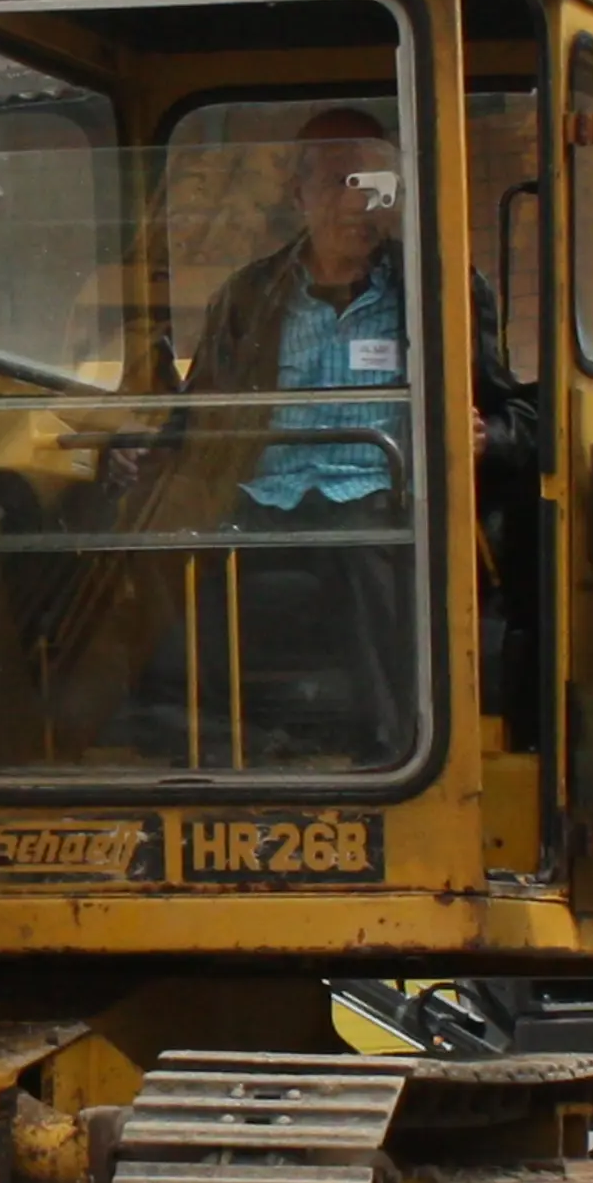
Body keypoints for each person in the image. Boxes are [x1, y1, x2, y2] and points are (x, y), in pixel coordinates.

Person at [166, 107, 422, 765]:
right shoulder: (248, 297)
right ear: (298, 193)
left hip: (378, 493)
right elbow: (198, 412)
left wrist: (482, 434)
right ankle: (211, 746)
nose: (358, 204)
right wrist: (144, 446)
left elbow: (510, 414)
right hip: (266, 497)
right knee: (183, 564)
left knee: (362, 549)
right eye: (339, 182)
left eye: (374, 186)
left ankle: (394, 752)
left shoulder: (430, 292)